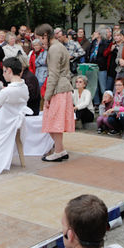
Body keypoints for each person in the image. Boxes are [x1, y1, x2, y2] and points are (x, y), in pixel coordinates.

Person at [37, 24, 74, 162]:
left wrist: (47, 96)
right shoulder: (60, 46)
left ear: (45, 36)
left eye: (40, 38)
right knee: (55, 121)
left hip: (58, 89)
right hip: (63, 86)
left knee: (53, 121)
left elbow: (53, 74)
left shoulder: (54, 49)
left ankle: (58, 151)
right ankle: (61, 150)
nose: (40, 42)